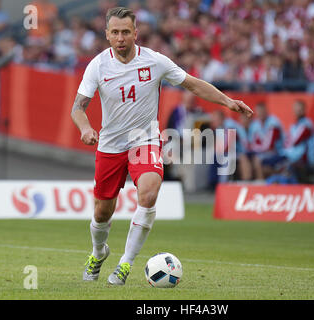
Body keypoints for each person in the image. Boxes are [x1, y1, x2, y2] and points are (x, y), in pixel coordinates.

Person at [71, 7, 252, 286]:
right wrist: (85, 128)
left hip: (145, 140)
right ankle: (98, 252)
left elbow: (192, 84)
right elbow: (78, 107)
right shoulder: (97, 65)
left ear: (135, 33)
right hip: (110, 145)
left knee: (149, 192)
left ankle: (124, 265)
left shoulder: (155, 61)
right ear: (107, 35)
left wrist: (227, 101)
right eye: (115, 32)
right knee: (102, 212)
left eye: (126, 32)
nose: (121, 38)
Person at [281, 99, 314, 183]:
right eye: (295, 109)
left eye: (299, 109)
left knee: (285, 165)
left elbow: (294, 141)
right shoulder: (295, 125)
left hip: (305, 160)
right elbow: (287, 141)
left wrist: (285, 150)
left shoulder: (306, 125)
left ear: (304, 110)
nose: (297, 111)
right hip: (293, 157)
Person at [247, 102, 285, 180]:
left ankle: (260, 182)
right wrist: (255, 149)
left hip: (276, 152)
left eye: (261, 111)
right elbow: (251, 143)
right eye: (258, 111)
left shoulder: (273, 123)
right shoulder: (255, 124)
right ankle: (246, 181)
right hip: (262, 152)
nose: (260, 113)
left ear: (266, 111)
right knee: (243, 157)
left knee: (258, 159)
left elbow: (269, 146)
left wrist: (255, 149)